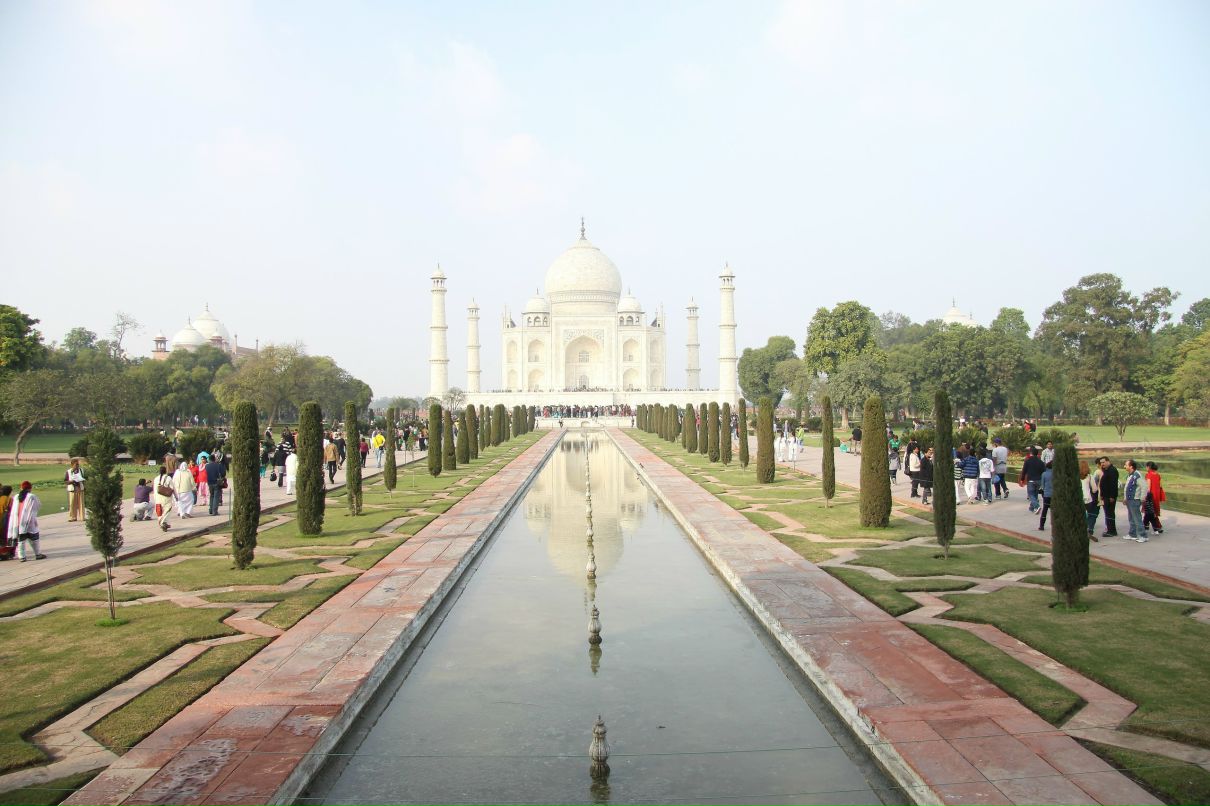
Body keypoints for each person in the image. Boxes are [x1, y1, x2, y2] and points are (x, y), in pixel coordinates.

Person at [7, 481, 44, 560]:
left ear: (21, 488)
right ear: (30, 488)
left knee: (21, 540)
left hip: (18, 522)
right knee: (34, 539)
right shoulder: (31, 496)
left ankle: (22, 556)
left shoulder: (16, 497)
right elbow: (38, 505)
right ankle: (38, 554)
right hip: (29, 521)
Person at [1123, 459, 1146, 541]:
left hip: (1135, 499)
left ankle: (1143, 536)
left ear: (1131, 466)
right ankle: (1132, 534)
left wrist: (1142, 498)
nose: (1124, 466)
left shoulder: (1137, 475)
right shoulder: (1130, 475)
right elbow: (1127, 487)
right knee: (1131, 518)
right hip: (1130, 499)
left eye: (1126, 465)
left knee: (1137, 518)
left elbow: (1144, 486)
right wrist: (1125, 498)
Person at [1097, 457, 1119, 537]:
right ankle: (1110, 529)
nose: (1102, 464)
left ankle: (1111, 531)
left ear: (1108, 461)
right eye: (1101, 463)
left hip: (1109, 496)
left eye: (1103, 462)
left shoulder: (1112, 470)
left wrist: (1112, 496)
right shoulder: (1106, 470)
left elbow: (1113, 485)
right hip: (1105, 496)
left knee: (1110, 513)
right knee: (1108, 513)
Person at [1021, 448, 1046, 513]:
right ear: (1037, 453)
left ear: (1031, 453)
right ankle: (1032, 507)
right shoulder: (1041, 462)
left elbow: (1024, 471)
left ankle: (1037, 506)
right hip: (1038, 480)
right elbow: (1044, 471)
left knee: (1031, 494)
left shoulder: (1028, 461)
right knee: (1035, 494)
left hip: (1031, 480)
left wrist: (1022, 479)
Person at [1079, 461, 1099, 542]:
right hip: (1088, 499)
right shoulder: (1090, 477)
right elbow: (1094, 489)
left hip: (1078, 498)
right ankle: (1088, 530)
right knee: (1090, 515)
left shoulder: (1074, 476)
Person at [1143, 462, 1165, 535]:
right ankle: (1147, 526)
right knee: (1152, 511)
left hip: (1150, 496)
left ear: (1149, 467)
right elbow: (1160, 486)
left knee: (1150, 511)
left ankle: (1156, 527)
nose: (1146, 468)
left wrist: (1145, 496)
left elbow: (1148, 487)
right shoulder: (1158, 475)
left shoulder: (1148, 475)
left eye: (1146, 466)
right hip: (1156, 495)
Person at [153, 464, 174, 532]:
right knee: (167, 510)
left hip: (158, 498)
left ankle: (164, 523)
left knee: (160, 511)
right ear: (165, 471)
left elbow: (155, 490)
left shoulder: (156, 479)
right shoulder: (168, 478)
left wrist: (155, 498)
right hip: (166, 498)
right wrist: (176, 497)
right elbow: (172, 488)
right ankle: (163, 522)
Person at [1038, 462, 1054, 530]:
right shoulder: (1056, 474)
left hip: (1046, 494)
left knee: (1045, 510)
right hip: (1054, 495)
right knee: (1054, 510)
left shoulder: (1044, 474)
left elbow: (1042, 485)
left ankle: (1041, 525)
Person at [0, 485, 13, 560]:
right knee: (6, 539)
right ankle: (5, 554)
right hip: (5, 521)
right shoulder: (9, 499)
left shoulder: (1, 498)